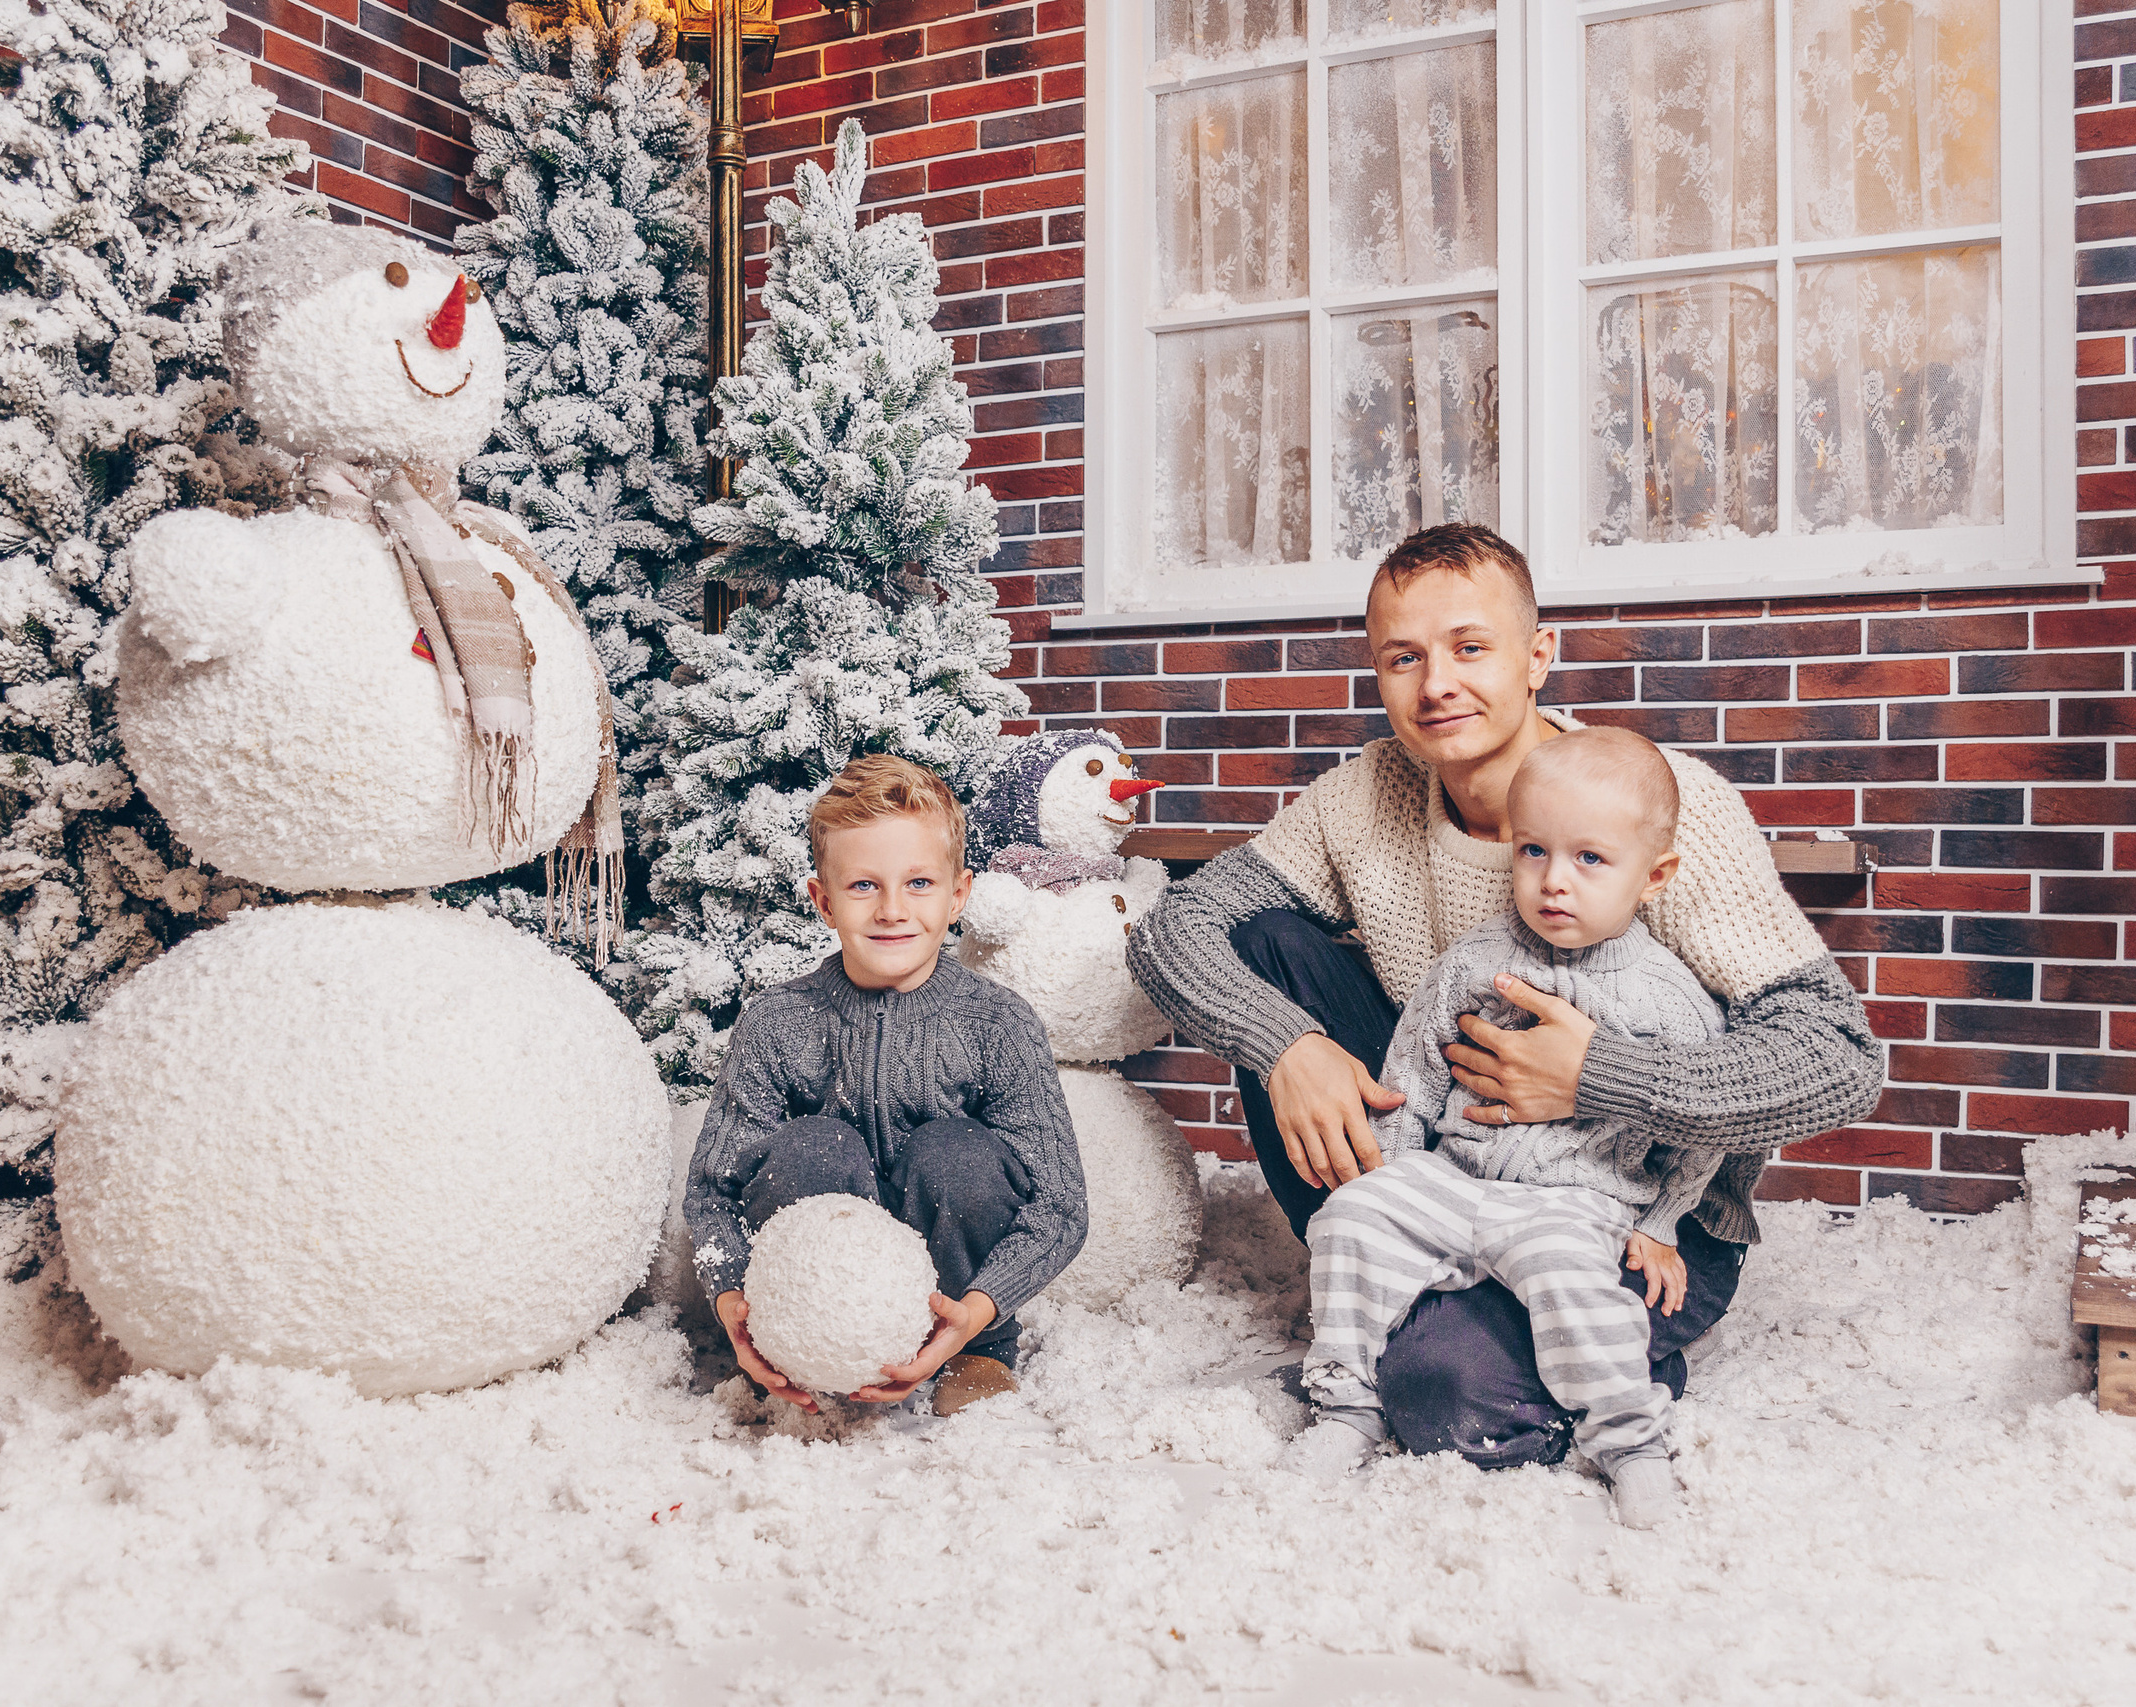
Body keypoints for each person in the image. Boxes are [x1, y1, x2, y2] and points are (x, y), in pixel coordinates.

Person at [1126, 523, 1882, 1467]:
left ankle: (1579, 1361)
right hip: (1450, 1171)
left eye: (1470, 647)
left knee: (1443, 1393)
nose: (1437, 683)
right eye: (1405, 657)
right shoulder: (1366, 795)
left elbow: (1839, 1059)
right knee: (1262, 942)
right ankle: (1403, 1288)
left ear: (1538, 658)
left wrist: (1600, 1073)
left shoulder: (1653, 804)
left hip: (1635, 1208)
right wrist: (1287, 1044)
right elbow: (1173, 929)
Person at [1284, 727, 1725, 1528]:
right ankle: (1345, 1407)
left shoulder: (1670, 1001)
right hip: (1456, 1179)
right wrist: (1399, 1175)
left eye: (1591, 859)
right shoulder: (1474, 960)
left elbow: (1703, 1130)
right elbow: (1412, 1074)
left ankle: (1630, 1441)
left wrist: (1661, 1224)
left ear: (1652, 876)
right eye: (1533, 852)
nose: (1555, 881)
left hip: (1574, 1202)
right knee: (1350, 1215)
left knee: (1571, 1280)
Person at [684, 755, 1086, 1417]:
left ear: (958, 894)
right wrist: (734, 1304)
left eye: (920, 882)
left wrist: (979, 1308)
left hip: (957, 1302)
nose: (894, 909)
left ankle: (978, 1349)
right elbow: (711, 1190)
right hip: (821, 1300)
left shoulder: (999, 1023)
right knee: (813, 1145)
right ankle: (803, 1349)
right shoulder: (777, 1023)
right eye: (865, 885)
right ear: (824, 900)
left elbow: (1061, 1204)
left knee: (956, 1152)